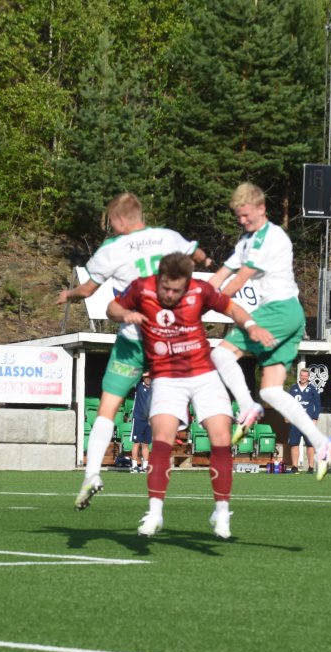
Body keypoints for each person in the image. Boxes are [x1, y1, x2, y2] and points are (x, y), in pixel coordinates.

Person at [56, 193, 211, 510]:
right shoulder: (168, 237)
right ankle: (158, 494)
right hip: (169, 338)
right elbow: (198, 254)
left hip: (132, 338)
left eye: (111, 222)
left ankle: (92, 474)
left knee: (108, 407)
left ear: (120, 220)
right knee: (166, 417)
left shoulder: (112, 249)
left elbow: (88, 289)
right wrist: (203, 263)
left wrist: (68, 294)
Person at [108, 252, 274, 540]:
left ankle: (221, 512)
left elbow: (233, 308)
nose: (170, 295)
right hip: (166, 377)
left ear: (186, 283)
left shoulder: (200, 290)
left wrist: (251, 326)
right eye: (166, 288)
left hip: (203, 375)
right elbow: (112, 307)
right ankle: (155, 512)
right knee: (162, 437)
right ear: (159, 278)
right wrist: (124, 314)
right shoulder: (142, 287)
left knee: (221, 437)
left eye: (176, 290)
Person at [207, 182, 331, 481]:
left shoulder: (273, 237)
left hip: (279, 310)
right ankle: (321, 443)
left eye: (247, 216)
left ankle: (247, 407)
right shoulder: (246, 241)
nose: (243, 221)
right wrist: (195, 297)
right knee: (271, 391)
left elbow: (238, 280)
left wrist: (210, 303)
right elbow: (219, 276)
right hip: (290, 315)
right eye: (239, 217)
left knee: (221, 355)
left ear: (262, 208)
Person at [287, 367, 321, 471]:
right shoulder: (293, 388)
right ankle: (294, 466)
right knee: (294, 443)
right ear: (299, 376)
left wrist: (315, 418)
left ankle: (311, 467)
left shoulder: (312, 389)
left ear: (308, 377)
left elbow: (318, 405)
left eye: (305, 376)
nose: (303, 377)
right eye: (302, 375)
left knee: (310, 444)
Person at [129, 372, 152, 473]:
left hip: (149, 420)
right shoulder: (139, 386)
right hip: (138, 419)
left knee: (146, 444)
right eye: (146, 377)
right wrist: (142, 372)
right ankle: (134, 466)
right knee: (136, 442)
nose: (148, 379)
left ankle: (145, 466)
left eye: (149, 377)